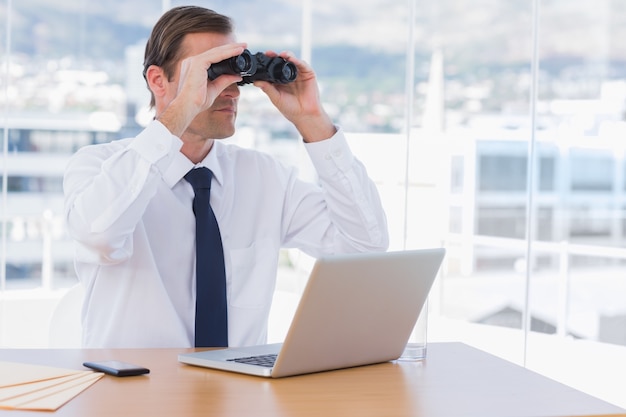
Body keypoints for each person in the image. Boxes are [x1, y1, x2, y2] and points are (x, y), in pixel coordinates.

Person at [63, 5, 389, 348]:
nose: (231, 91)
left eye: (237, 75)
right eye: (211, 73)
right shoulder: (99, 167)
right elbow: (98, 236)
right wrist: (180, 112)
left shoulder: (264, 178)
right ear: (158, 80)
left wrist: (313, 120)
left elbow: (364, 247)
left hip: (240, 392)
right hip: (134, 392)